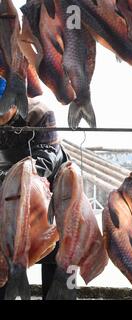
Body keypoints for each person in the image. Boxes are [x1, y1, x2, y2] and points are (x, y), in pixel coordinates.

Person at [0, 89, 68, 300]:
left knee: (61, 262)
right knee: (8, 260)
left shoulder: (40, 113)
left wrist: (9, 176)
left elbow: (46, 159)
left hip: (50, 191)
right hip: (10, 195)